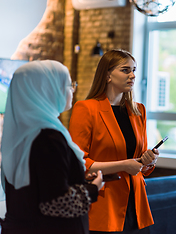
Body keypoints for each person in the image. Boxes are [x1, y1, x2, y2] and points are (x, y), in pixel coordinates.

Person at [0, 60, 104, 234]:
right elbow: (55, 202)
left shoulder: (20, 133)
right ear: (47, 90)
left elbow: (36, 186)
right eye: (68, 85)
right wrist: (94, 187)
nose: (72, 90)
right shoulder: (48, 137)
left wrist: (77, 179)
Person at [69, 49, 159, 234]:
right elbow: (77, 164)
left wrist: (148, 161)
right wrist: (124, 165)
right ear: (108, 75)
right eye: (125, 70)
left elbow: (138, 161)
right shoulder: (86, 109)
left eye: (134, 70)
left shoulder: (138, 111)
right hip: (104, 203)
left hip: (137, 205)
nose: (132, 75)